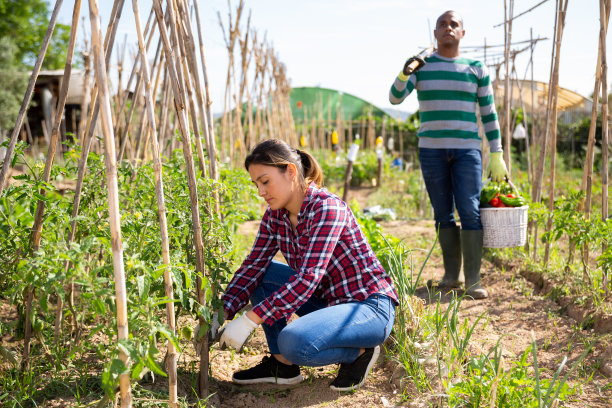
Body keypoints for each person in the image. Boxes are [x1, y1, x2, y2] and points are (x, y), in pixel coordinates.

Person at [218, 138, 398, 391]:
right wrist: (221, 312)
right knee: (263, 274)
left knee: (294, 341)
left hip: (367, 307)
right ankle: (283, 366)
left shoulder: (327, 208)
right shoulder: (275, 216)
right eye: (256, 183)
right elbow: (253, 265)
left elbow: (308, 278)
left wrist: (249, 320)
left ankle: (358, 353)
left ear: (291, 171)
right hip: (329, 304)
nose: (260, 191)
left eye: (265, 181)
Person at [388, 10, 508, 299]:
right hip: (431, 151)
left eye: (454, 24)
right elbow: (394, 98)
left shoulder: (476, 67)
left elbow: (488, 114)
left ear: (462, 33)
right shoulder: (422, 66)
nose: (448, 28)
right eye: (442, 24)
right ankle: (451, 275)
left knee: (468, 209)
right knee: (442, 212)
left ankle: (473, 279)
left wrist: (497, 153)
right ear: (435, 33)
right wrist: (405, 72)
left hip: (467, 150)